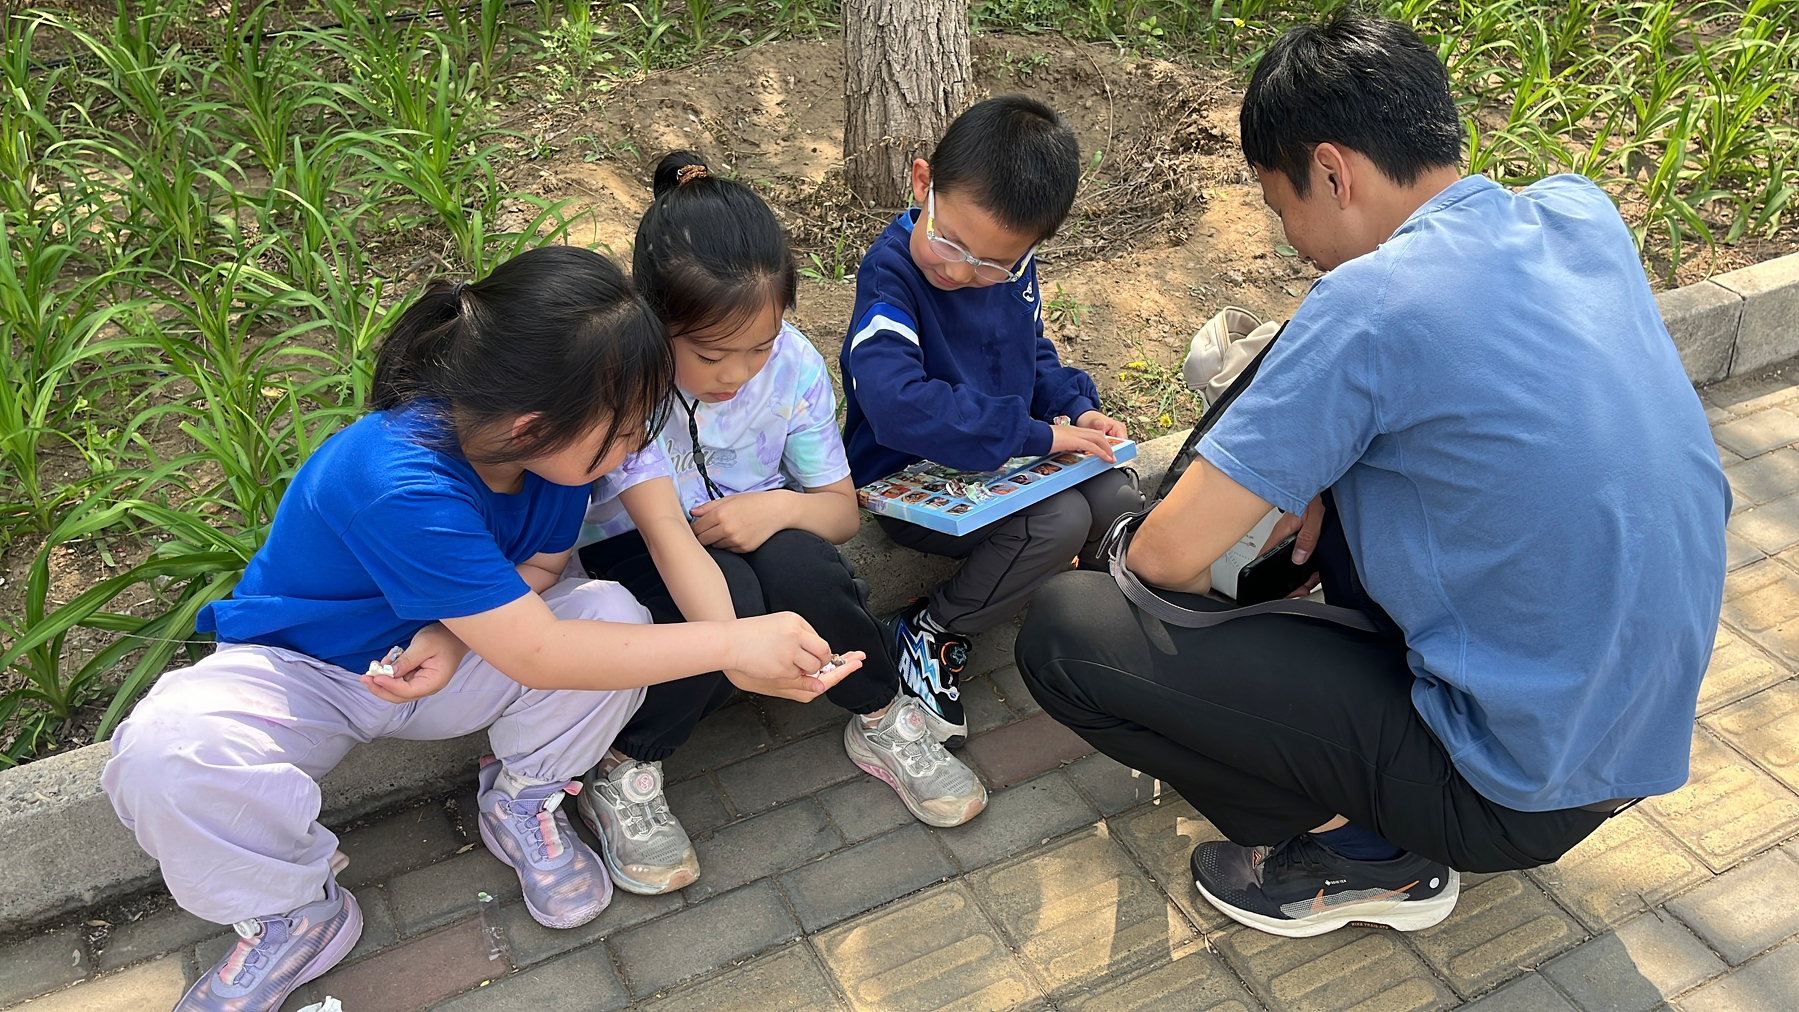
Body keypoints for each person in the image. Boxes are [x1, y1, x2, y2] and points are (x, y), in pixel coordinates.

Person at [1016, 13, 1730, 939]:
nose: (1295, 245)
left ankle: (1364, 853)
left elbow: (1160, 559)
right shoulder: (1576, 212)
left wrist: (1199, 642)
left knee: (1068, 634)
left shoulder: (1368, 301)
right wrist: (1316, 474)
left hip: (1507, 787)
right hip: (1631, 726)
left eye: (1284, 211)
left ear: (1331, 171)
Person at [101, 246, 862, 1012]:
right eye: (627, 429)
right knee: (169, 746)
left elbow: (537, 570)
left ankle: (521, 798)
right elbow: (539, 650)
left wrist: (459, 634)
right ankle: (296, 912)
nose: (635, 446)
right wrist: (735, 644)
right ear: (536, 424)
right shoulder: (390, 475)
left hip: (446, 660)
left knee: (612, 616)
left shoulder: (546, 460)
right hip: (308, 671)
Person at [575, 152, 988, 897]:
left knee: (803, 564)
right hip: (635, 542)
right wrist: (736, 648)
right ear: (651, 323)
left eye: (758, 346)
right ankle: (626, 762)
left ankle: (879, 713)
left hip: (754, 521)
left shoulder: (791, 367)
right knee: (727, 592)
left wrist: (776, 507)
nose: (737, 374)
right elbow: (667, 538)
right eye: (709, 355)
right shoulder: (628, 390)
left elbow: (834, 510)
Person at [840, 95, 1144, 745]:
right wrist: (1041, 435)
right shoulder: (891, 271)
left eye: (991, 265)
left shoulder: (1011, 266)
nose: (960, 269)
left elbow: (1030, 359)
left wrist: (1077, 408)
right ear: (922, 183)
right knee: (1056, 520)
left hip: (1005, 456)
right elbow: (896, 405)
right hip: (909, 478)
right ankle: (931, 631)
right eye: (949, 242)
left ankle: (1095, 626)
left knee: (1115, 488)